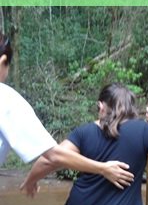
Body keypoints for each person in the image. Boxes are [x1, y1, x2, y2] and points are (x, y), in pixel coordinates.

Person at [0, 32, 134, 190]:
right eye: (8, 66)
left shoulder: (85, 133)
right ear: (2, 61)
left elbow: (49, 158)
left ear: (101, 107)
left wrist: (32, 178)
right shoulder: (7, 99)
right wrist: (103, 169)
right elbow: (53, 155)